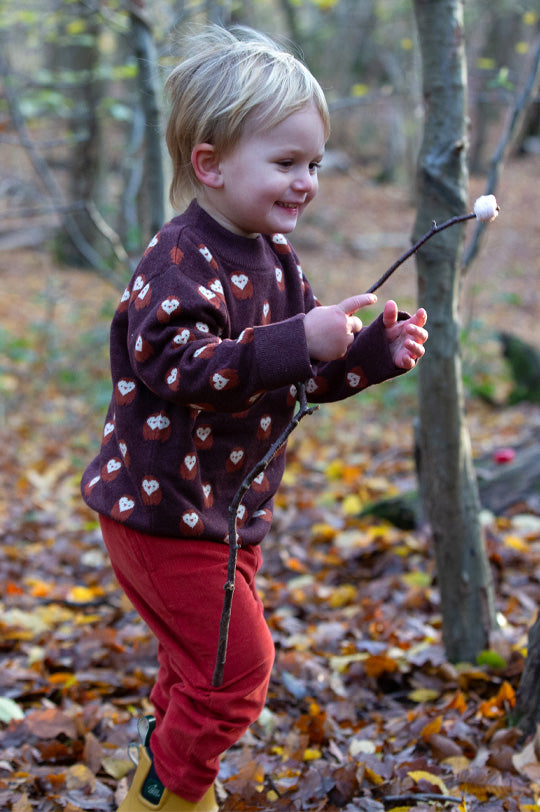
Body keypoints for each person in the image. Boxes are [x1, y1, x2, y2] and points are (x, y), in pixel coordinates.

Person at [81, 24, 428, 812]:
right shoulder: (179, 259)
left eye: (313, 164)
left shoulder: (277, 258)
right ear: (210, 164)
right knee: (236, 676)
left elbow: (294, 377)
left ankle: (160, 770)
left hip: (228, 515)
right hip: (162, 514)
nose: (306, 181)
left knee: (195, 668)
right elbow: (176, 367)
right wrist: (293, 340)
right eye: (285, 163)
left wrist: (367, 355)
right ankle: (165, 796)